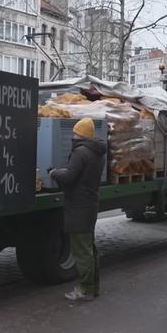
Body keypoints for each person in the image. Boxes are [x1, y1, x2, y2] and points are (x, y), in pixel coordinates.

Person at [49, 117, 106, 301]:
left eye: (75, 132)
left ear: (81, 134)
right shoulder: (97, 152)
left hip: (78, 207)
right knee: (89, 248)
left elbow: (69, 177)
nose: (73, 135)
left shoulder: (81, 153)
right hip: (89, 204)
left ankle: (85, 289)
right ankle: (93, 287)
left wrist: (54, 173)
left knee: (81, 251)